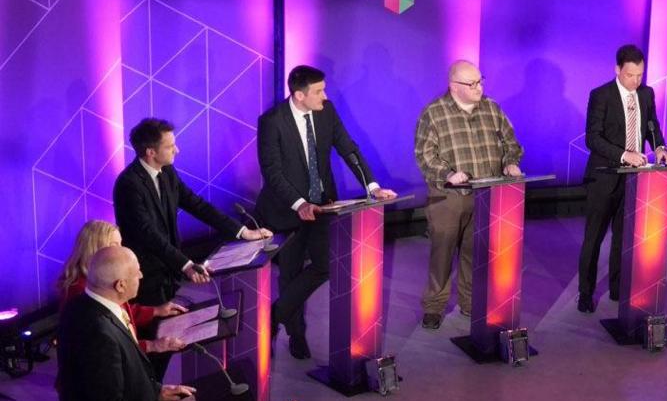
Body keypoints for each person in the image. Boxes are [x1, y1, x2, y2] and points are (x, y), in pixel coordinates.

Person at [255, 65, 397, 359]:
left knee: (325, 265)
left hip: (324, 206)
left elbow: (348, 148)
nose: (325, 95)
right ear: (299, 95)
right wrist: (299, 204)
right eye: (319, 91)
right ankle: (296, 335)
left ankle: (273, 316)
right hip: (286, 210)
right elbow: (272, 171)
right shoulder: (272, 122)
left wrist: (371, 185)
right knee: (290, 273)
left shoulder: (326, 111)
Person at [54, 245, 204, 401]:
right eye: (137, 272)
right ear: (120, 285)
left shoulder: (83, 305)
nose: (141, 275)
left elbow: (117, 376)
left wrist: (157, 390)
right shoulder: (98, 332)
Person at [113, 118, 272, 306]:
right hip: (147, 276)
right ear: (150, 152)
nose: (176, 150)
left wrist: (242, 232)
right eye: (170, 146)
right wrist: (186, 265)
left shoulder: (167, 172)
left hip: (169, 271)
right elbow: (148, 234)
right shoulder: (128, 185)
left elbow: (197, 205)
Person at [413, 60, 524, 329]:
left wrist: (511, 162)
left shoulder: (492, 108)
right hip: (449, 197)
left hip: (486, 195)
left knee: (475, 253)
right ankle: (434, 306)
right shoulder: (434, 113)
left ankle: (469, 301)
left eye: (480, 81)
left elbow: (512, 143)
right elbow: (424, 155)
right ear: (454, 86)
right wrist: (449, 174)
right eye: (472, 83)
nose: (479, 87)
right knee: (443, 253)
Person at [576, 45, 667, 313]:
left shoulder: (646, 93)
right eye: (630, 75)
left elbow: (652, 126)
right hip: (603, 178)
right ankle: (585, 292)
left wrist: (660, 147)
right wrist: (623, 155)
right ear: (618, 70)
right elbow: (592, 138)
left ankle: (618, 288)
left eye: (640, 75)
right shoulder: (601, 95)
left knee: (624, 238)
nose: (636, 81)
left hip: (633, 181)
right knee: (593, 238)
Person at [57, 220, 187, 354]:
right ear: (95, 250)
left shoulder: (100, 281)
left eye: (121, 244)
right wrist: (152, 346)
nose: (122, 250)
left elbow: (120, 313)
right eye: (115, 246)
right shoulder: (83, 293)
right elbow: (110, 347)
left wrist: (155, 311)